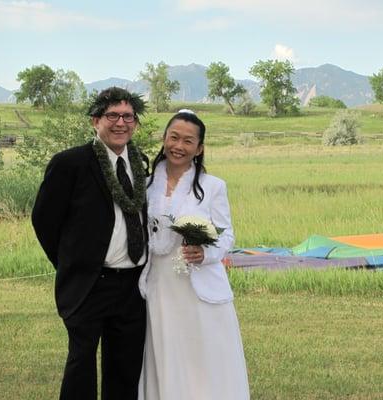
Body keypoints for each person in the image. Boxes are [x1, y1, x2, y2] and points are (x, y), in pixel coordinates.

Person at [32, 87, 149, 400]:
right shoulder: (70, 163)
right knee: (81, 364)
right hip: (89, 283)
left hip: (132, 286)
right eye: (112, 115)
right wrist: (72, 263)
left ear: (135, 123)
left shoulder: (140, 162)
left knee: (125, 367)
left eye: (127, 116)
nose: (120, 123)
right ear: (95, 121)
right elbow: (44, 221)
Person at [137, 110, 250, 399]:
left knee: (204, 352)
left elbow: (226, 235)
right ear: (163, 139)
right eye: (174, 137)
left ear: (199, 148)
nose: (179, 145)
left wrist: (205, 252)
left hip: (198, 283)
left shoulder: (213, 187)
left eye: (188, 141)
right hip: (160, 285)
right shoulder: (145, 185)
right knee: (167, 350)